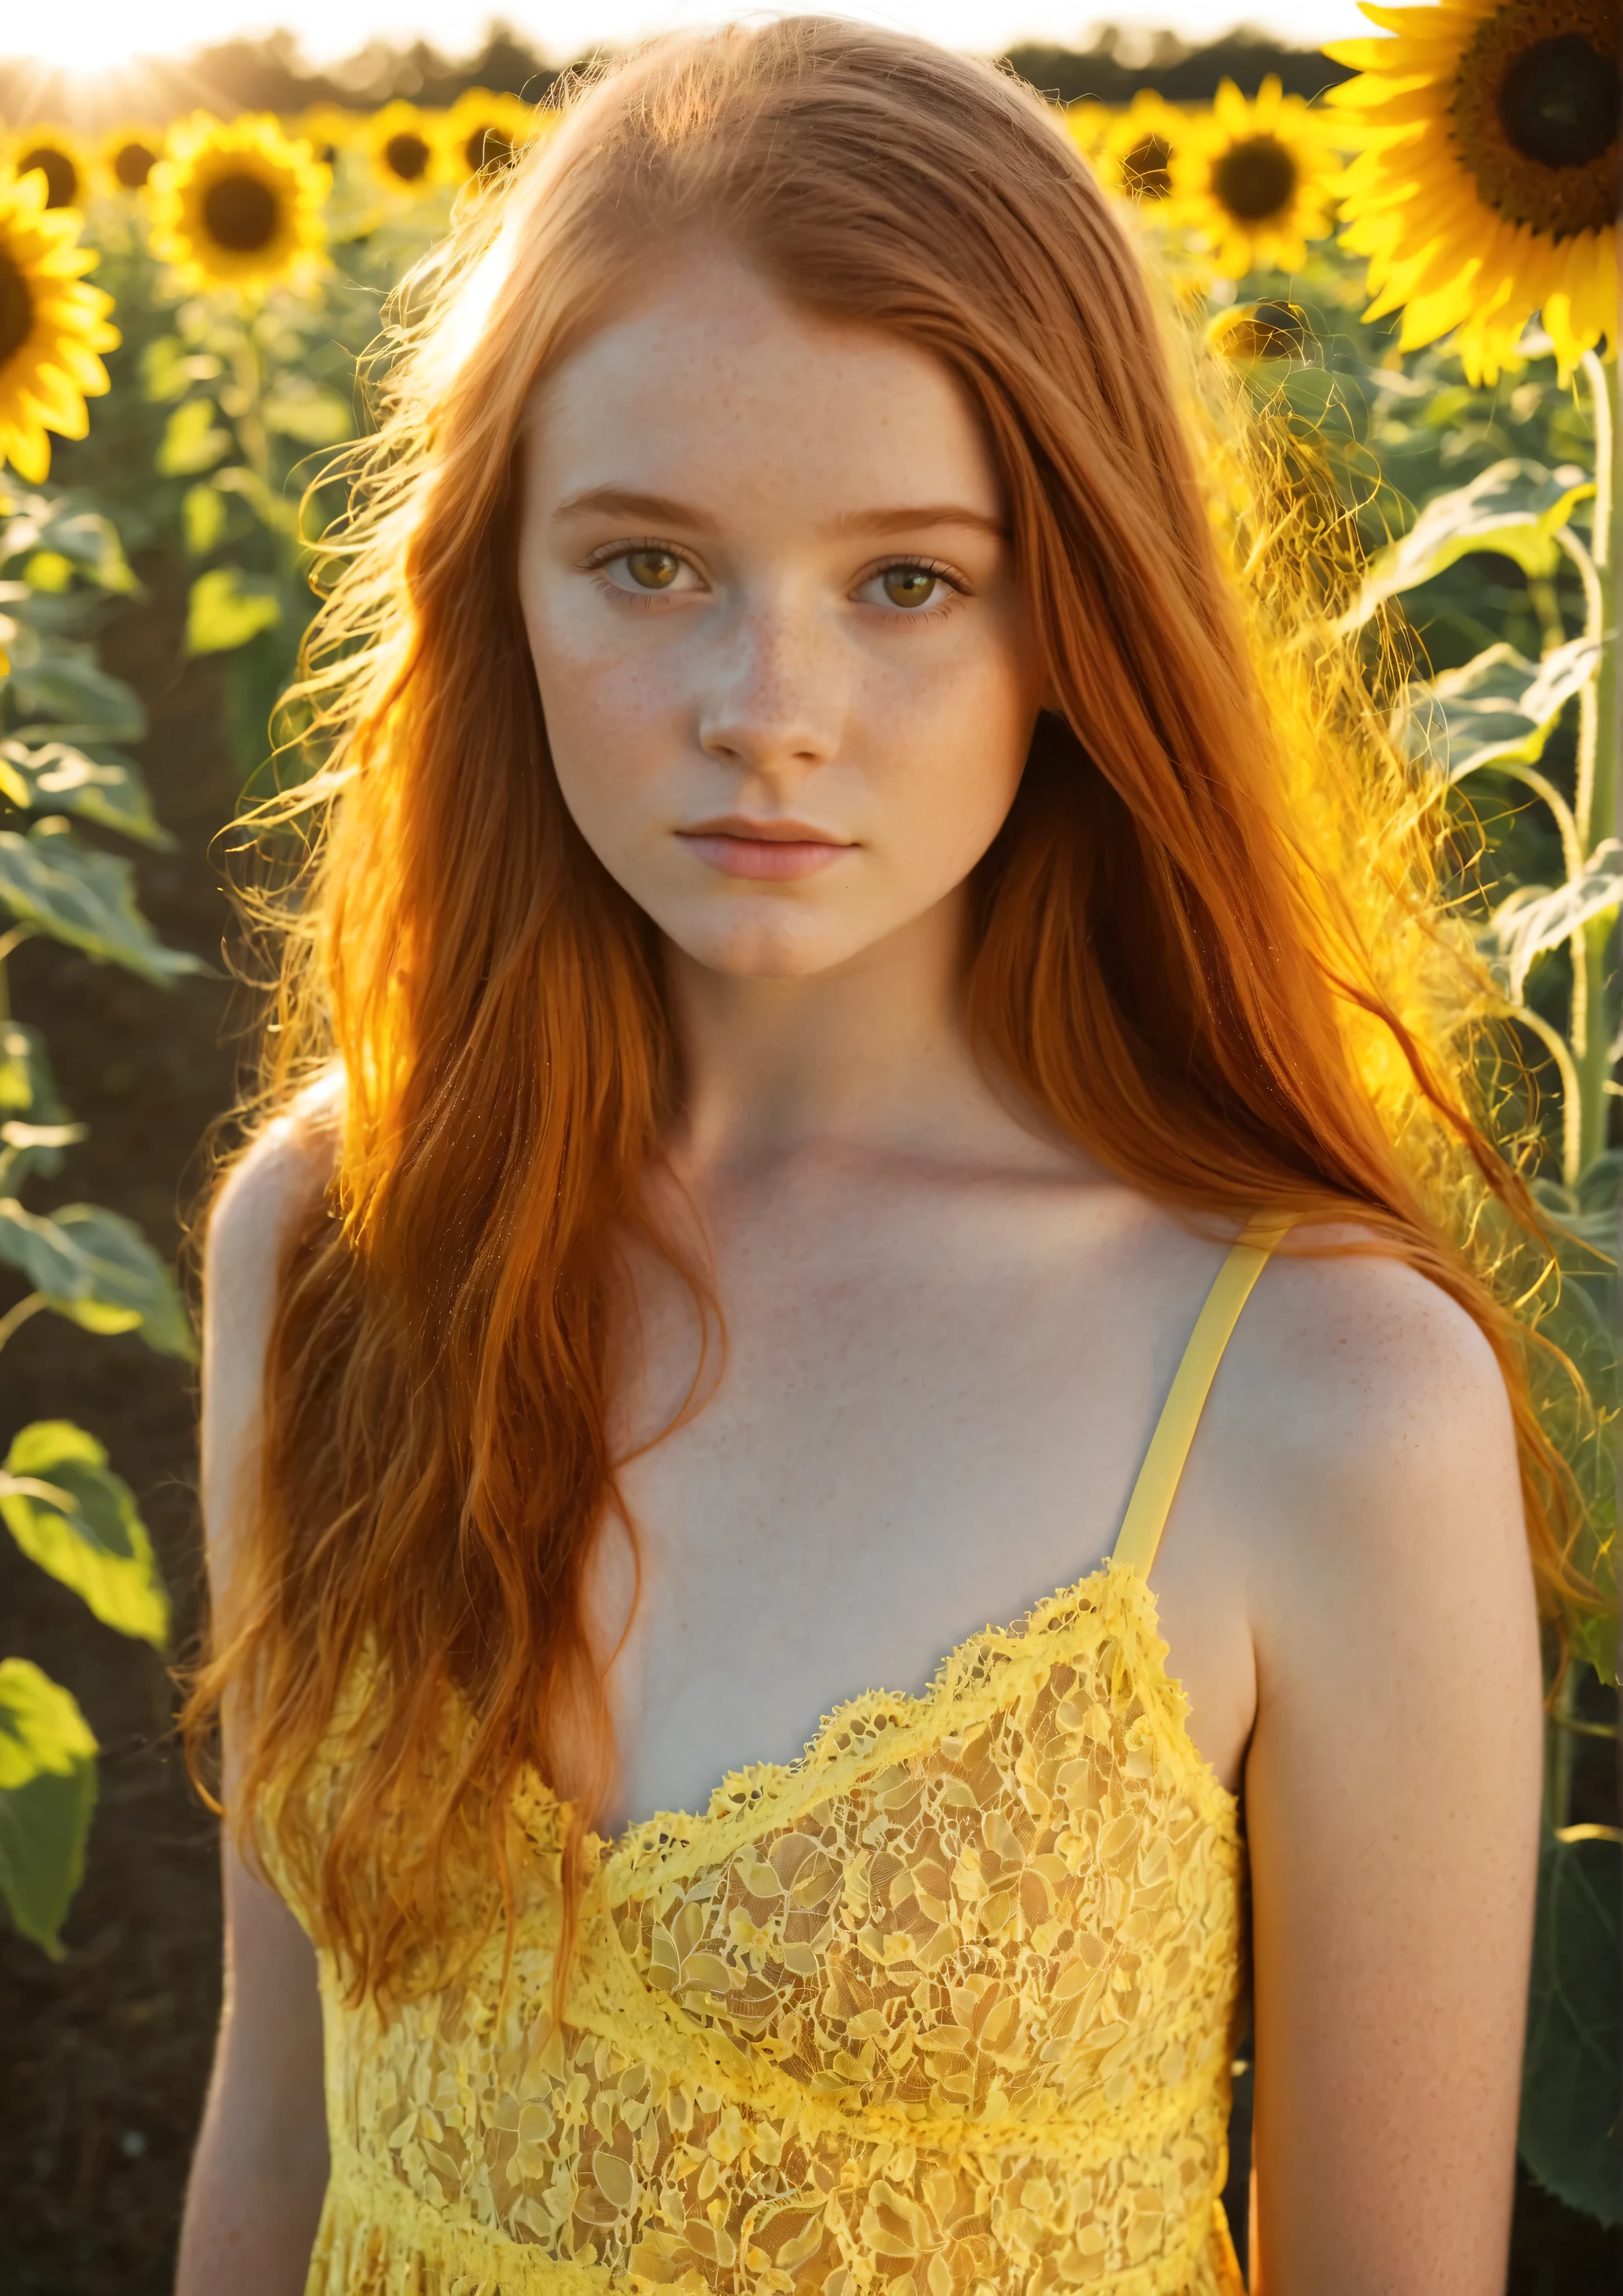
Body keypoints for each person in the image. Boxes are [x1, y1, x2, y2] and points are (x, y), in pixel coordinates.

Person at [175, 22, 1555, 2296]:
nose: (766, 705)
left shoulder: (1318, 1394)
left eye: (905, 580)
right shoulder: (331, 1234)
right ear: (493, 584)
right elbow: (276, 2137)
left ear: (1074, 621)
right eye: (644, 565)